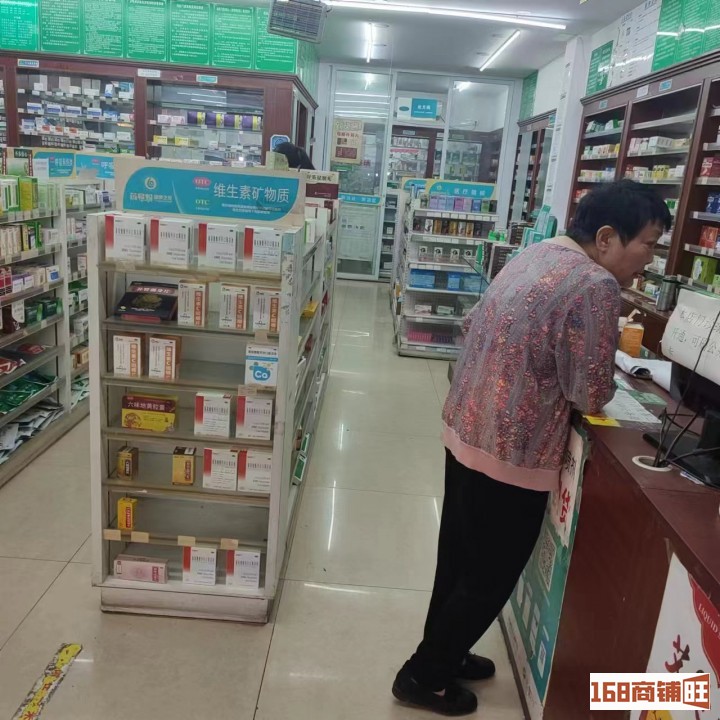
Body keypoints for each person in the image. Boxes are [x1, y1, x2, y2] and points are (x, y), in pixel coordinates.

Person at [392, 180, 672, 716]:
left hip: (469, 427)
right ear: (607, 237)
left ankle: (445, 652)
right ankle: (422, 677)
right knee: (490, 573)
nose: (650, 259)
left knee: (457, 559)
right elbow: (589, 391)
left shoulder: (538, 253)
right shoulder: (594, 283)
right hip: (513, 450)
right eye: (648, 244)